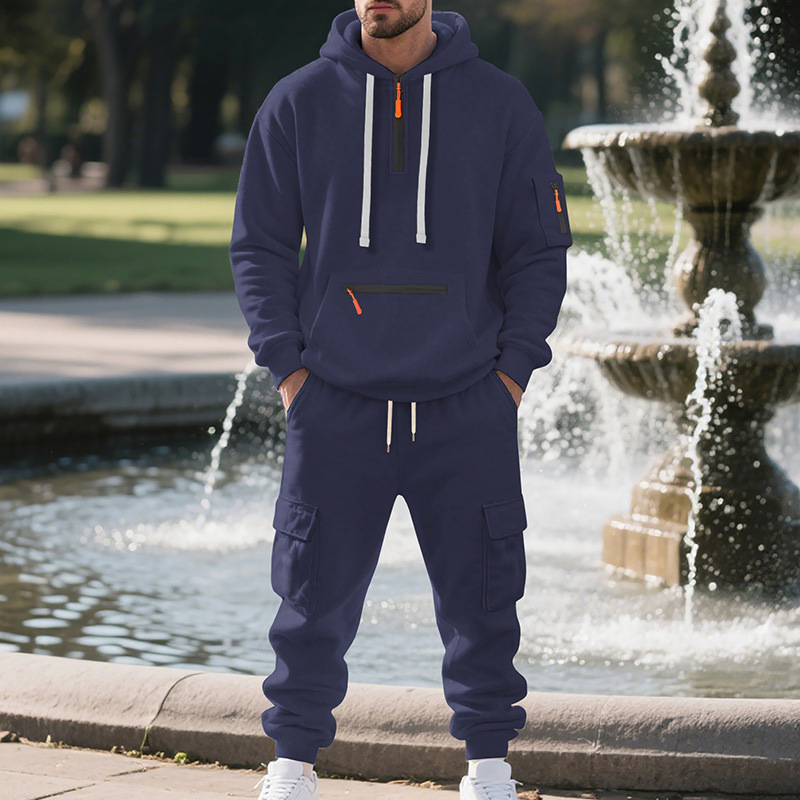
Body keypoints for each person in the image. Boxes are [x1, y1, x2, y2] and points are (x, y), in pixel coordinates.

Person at [229, 2, 572, 798]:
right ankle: (292, 769)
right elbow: (259, 246)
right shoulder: (297, 101)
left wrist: (511, 375)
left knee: (485, 601)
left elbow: (539, 250)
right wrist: (290, 373)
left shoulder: (500, 103)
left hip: (467, 406)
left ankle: (489, 771)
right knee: (308, 601)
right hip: (334, 405)